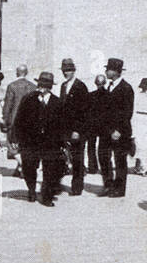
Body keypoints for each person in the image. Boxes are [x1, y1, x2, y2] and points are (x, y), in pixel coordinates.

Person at [14, 71, 68, 206]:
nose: (42, 87)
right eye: (40, 83)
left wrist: (63, 142)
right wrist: (17, 138)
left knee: (50, 169)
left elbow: (62, 123)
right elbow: (19, 119)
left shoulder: (57, 102)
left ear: (50, 86)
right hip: (30, 141)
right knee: (29, 167)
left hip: (50, 142)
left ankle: (47, 196)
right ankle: (31, 189)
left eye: (46, 84)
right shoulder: (28, 99)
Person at [97, 58, 134, 197]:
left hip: (120, 132)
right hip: (106, 131)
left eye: (109, 69)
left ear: (116, 72)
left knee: (119, 160)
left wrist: (118, 130)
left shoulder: (126, 88)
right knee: (103, 157)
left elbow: (127, 112)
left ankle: (119, 189)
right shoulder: (108, 87)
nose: (106, 72)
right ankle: (108, 185)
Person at [56, 59, 90, 195]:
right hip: (65, 127)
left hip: (77, 129)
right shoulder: (63, 86)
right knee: (65, 156)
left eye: (69, 70)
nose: (66, 73)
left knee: (77, 158)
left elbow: (84, 111)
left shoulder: (80, 86)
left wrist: (77, 130)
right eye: (64, 71)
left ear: (74, 71)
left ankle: (77, 186)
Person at [1, 65, 35, 160]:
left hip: (15, 118)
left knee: (12, 144)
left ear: (17, 72)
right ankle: (20, 167)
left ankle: (21, 166)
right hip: (29, 119)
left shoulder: (12, 86)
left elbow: (8, 104)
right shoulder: (33, 86)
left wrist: (5, 119)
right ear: (27, 72)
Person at [86, 72, 107, 173]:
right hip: (102, 124)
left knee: (91, 146)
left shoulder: (90, 95)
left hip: (92, 124)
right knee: (103, 147)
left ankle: (92, 167)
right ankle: (103, 167)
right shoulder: (109, 95)